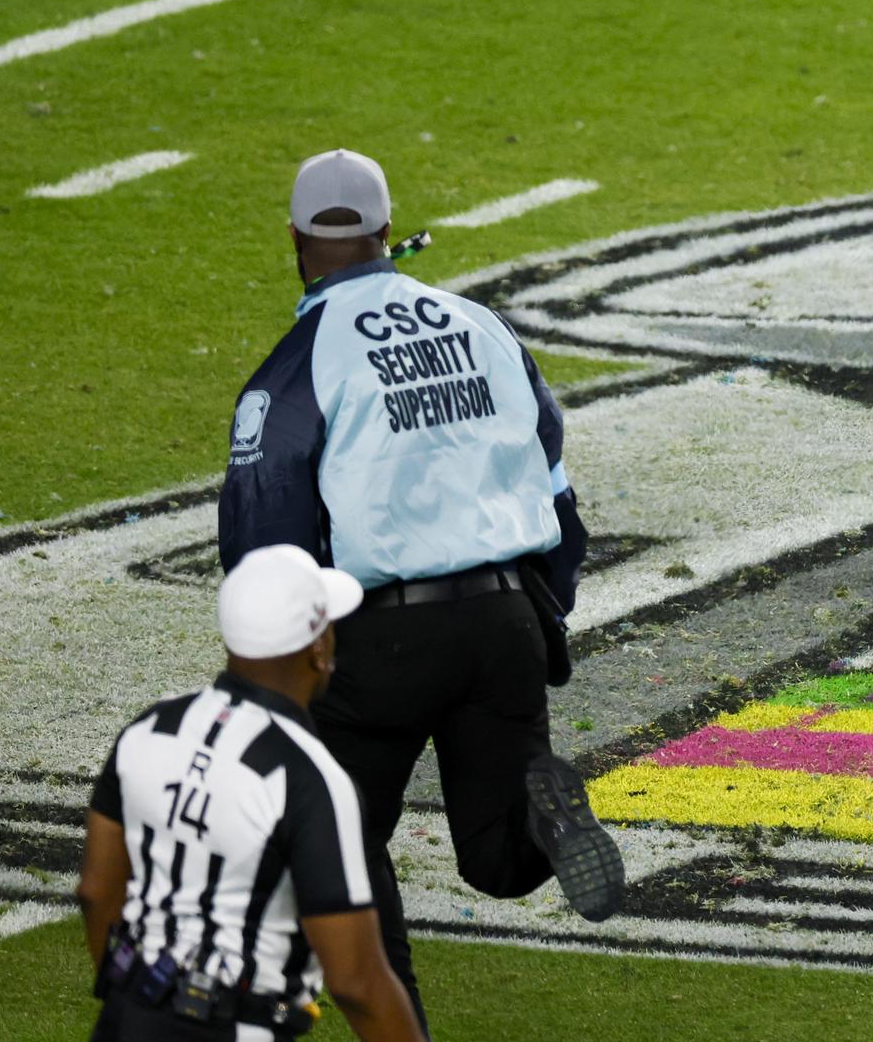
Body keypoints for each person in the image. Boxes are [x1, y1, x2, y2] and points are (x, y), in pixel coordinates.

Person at [216, 148, 623, 1029]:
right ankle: (545, 823)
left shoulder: (294, 368)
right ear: (385, 232)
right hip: (508, 615)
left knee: (336, 850)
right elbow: (556, 482)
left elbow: (264, 547)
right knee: (495, 857)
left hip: (386, 639)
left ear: (294, 239)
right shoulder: (482, 325)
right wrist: (540, 614)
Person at [77, 544, 425, 1041]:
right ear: (318, 647)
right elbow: (356, 981)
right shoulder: (309, 779)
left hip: (127, 1017)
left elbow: (95, 890)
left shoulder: (150, 728)